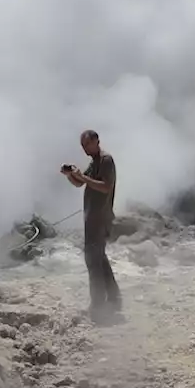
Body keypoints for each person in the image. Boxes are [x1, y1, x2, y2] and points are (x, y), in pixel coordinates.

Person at [60, 129, 122, 323]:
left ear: (96, 141)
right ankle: (114, 299)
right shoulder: (94, 162)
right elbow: (80, 184)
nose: (84, 149)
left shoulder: (106, 160)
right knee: (99, 259)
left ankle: (98, 305)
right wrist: (71, 175)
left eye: (86, 144)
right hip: (92, 218)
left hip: (100, 218)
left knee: (93, 261)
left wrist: (83, 177)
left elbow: (105, 186)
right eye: (82, 146)